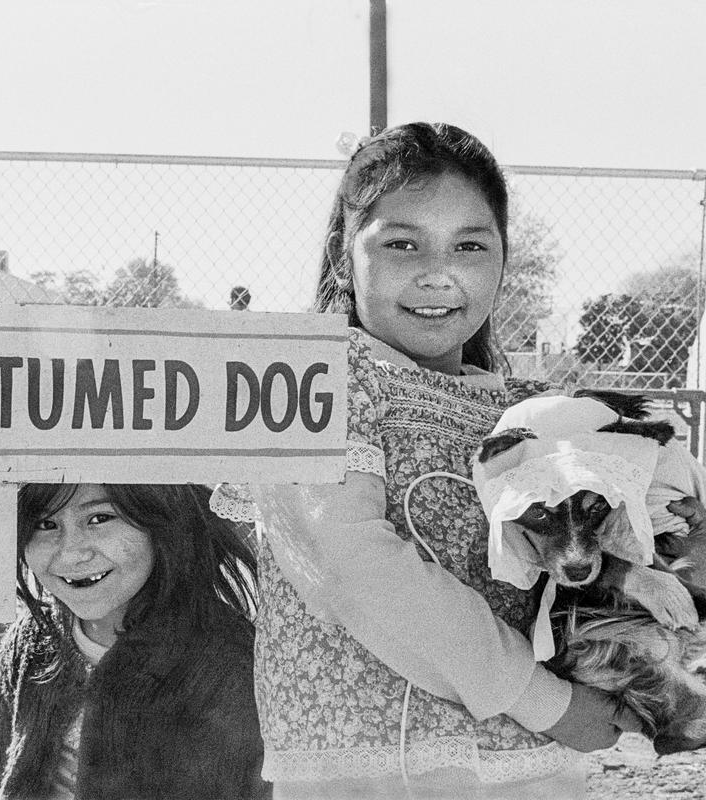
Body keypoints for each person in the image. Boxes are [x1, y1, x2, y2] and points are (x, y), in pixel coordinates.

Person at [213, 122, 652, 799]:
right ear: (341, 255)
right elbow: (348, 563)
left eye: (470, 245)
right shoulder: (316, 372)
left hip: (531, 768)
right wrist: (549, 703)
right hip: (382, 773)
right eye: (402, 243)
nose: (438, 272)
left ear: (504, 261)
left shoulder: (514, 412)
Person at [0, 483, 269, 800]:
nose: (73, 553)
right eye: (46, 524)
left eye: (100, 518)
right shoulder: (32, 640)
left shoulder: (231, 662)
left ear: (158, 522)